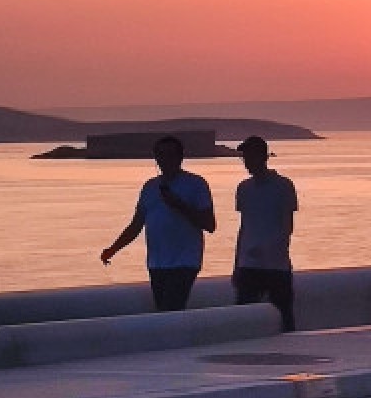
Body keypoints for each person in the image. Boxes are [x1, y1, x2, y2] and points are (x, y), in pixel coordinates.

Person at [100, 136, 216, 311]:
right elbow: (136, 225)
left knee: (171, 308)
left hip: (184, 261)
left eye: (170, 154)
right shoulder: (150, 187)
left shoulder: (196, 184)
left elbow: (210, 224)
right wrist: (113, 249)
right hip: (157, 263)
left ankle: (176, 337)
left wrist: (180, 205)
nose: (165, 159)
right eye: (160, 154)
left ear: (180, 157)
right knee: (163, 309)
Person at [233, 135, 298, 331]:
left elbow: (287, 227)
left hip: (276, 266)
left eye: (250, 156)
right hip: (248, 265)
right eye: (244, 157)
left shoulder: (284, 186)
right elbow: (244, 226)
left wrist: (270, 249)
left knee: (284, 314)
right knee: (244, 316)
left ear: (263, 156)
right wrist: (237, 262)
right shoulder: (243, 188)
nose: (246, 162)